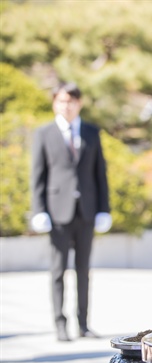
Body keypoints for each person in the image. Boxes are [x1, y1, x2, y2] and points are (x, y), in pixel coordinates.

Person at [30, 82, 112, 342]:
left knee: (83, 270)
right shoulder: (44, 134)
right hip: (57, 212)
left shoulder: (91, 132)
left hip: (86, 211)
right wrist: (39, 210)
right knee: (57, 271)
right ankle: (60, 324)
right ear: (55, 103)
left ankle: (83, 324)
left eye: (72, 101)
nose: (67, 105)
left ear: (80, 103)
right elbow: (38, 176)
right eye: (62, 101)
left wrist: (104, 209)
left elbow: (100, 173)